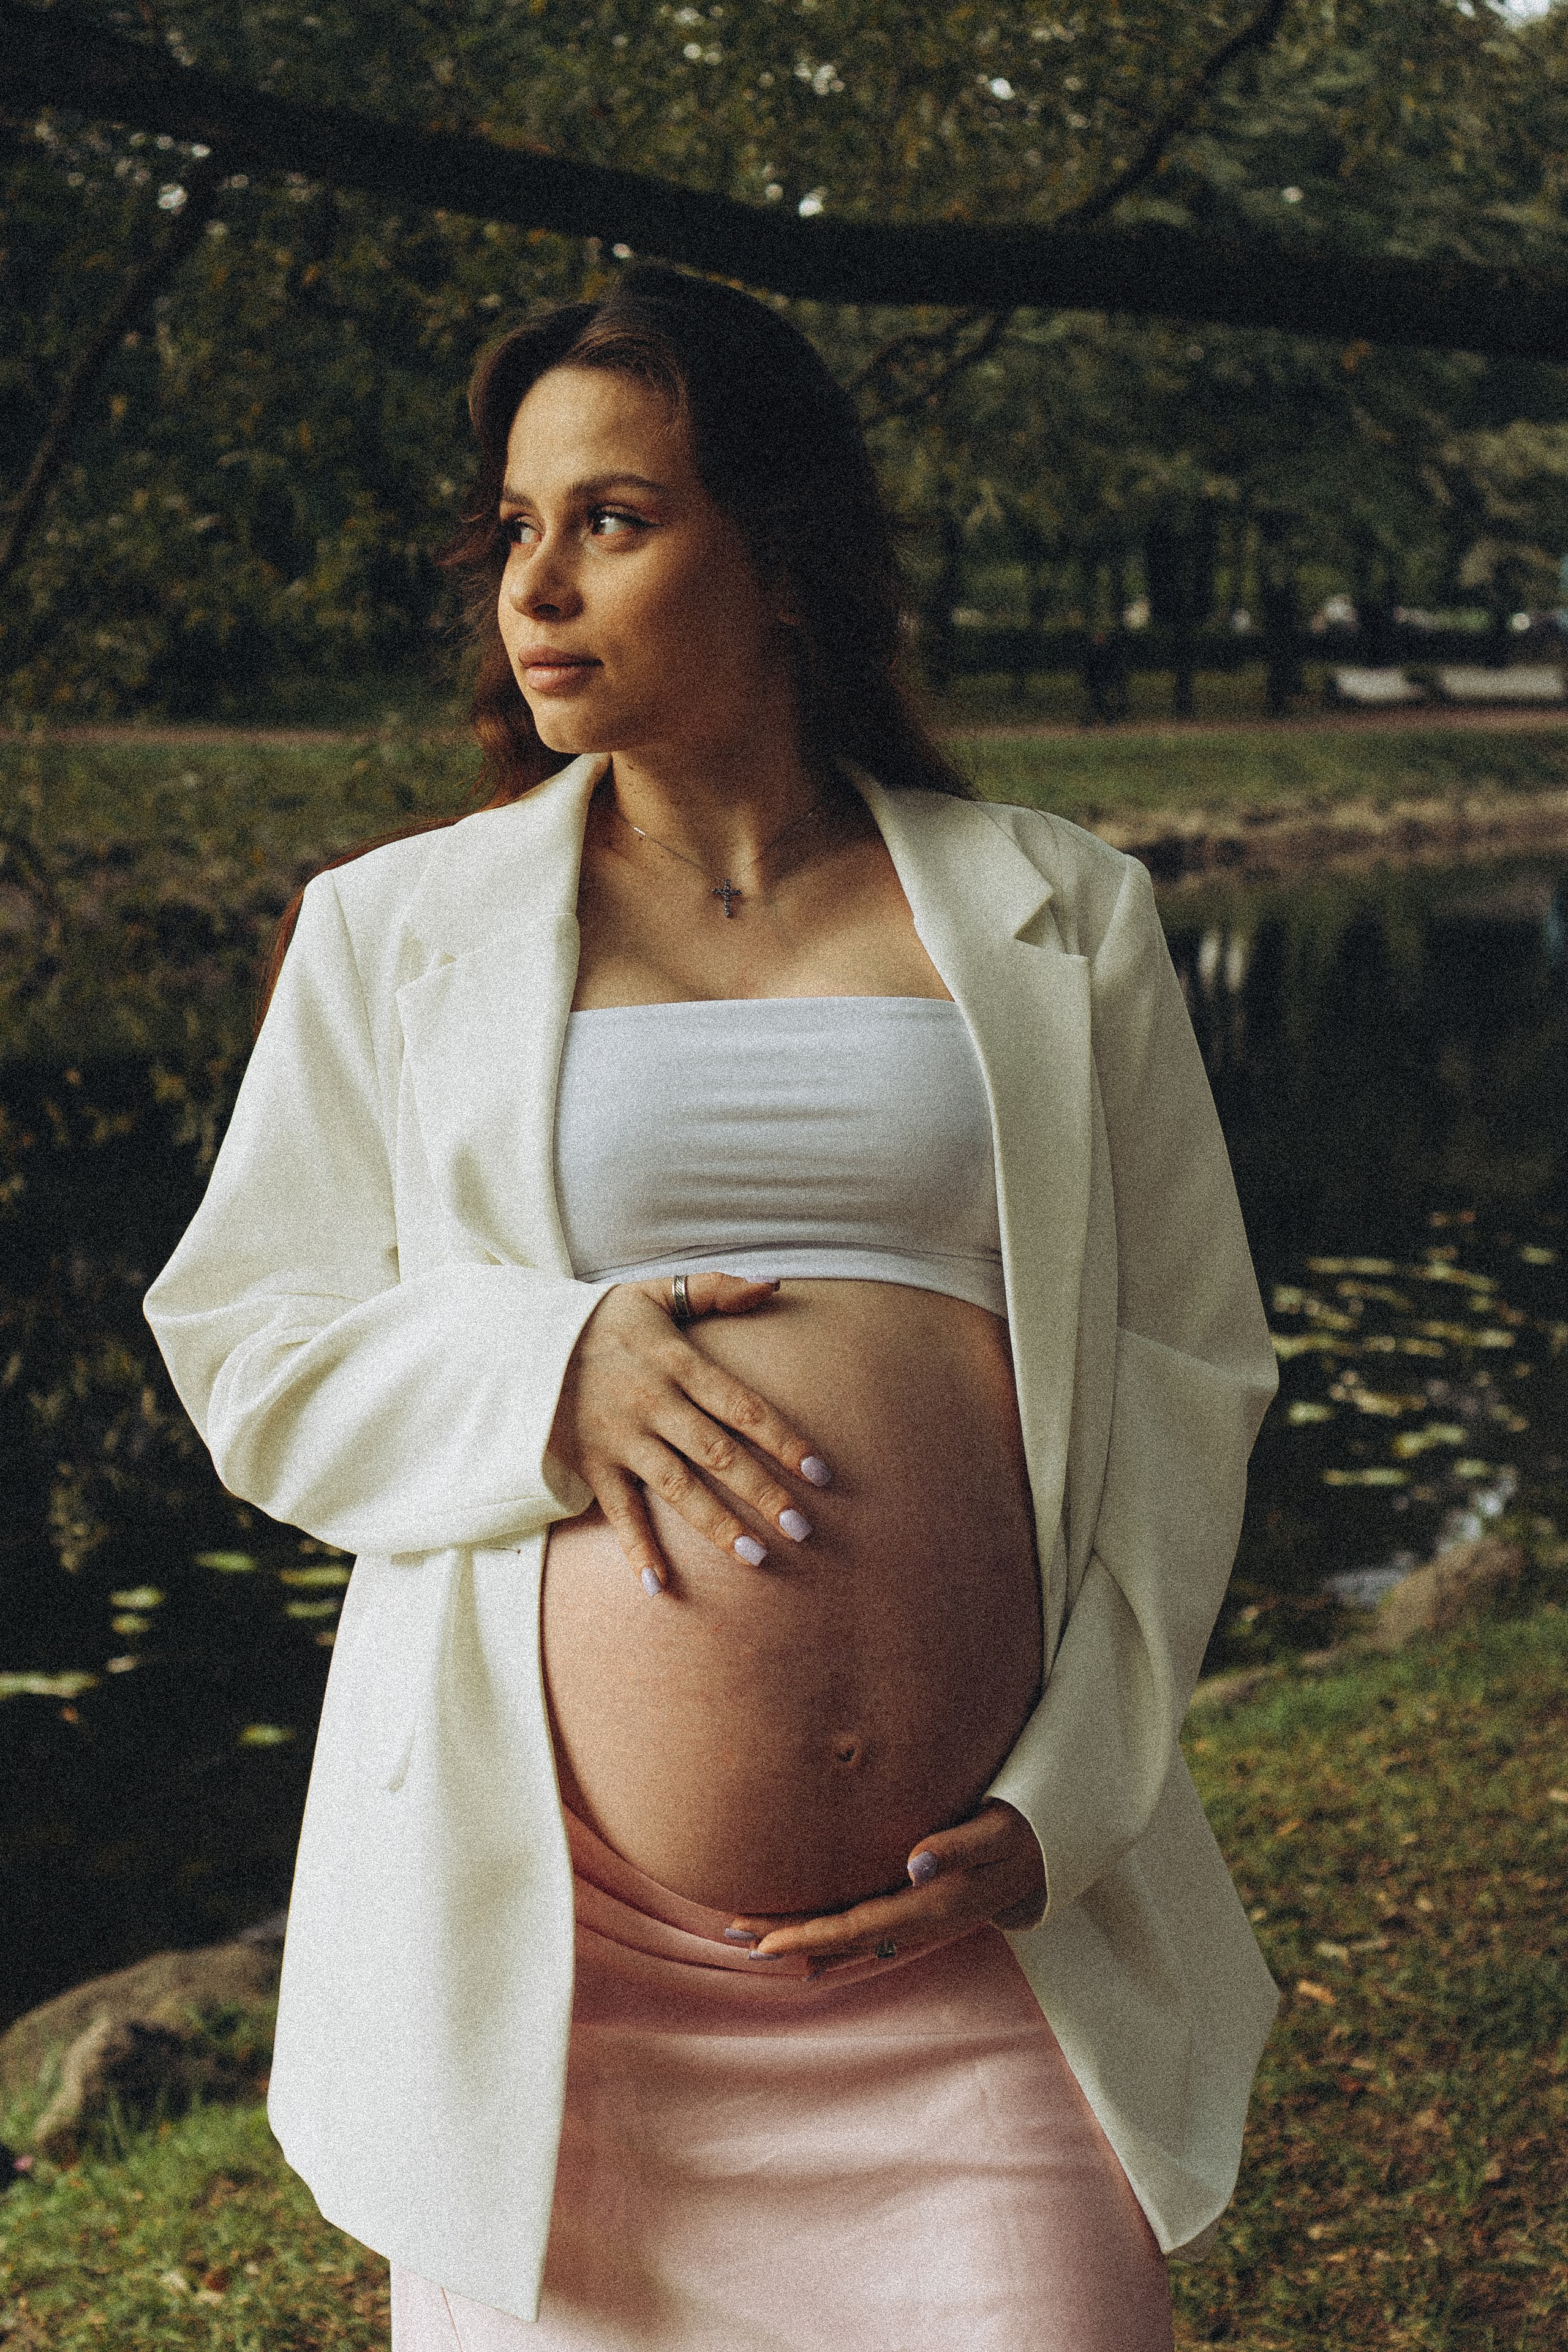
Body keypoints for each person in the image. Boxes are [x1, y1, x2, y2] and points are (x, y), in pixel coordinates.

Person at [145, 264, 1279, 2352]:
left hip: (964, 1962)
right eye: (513, 527)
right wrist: (547, 1365)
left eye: (615, 518)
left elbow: (1184, 1378)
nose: (537, 583)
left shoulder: (1062, 916)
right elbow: (251, 1341)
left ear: (782, 555)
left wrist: (1075, 1795)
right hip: (569, 1972)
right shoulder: (397, 933)